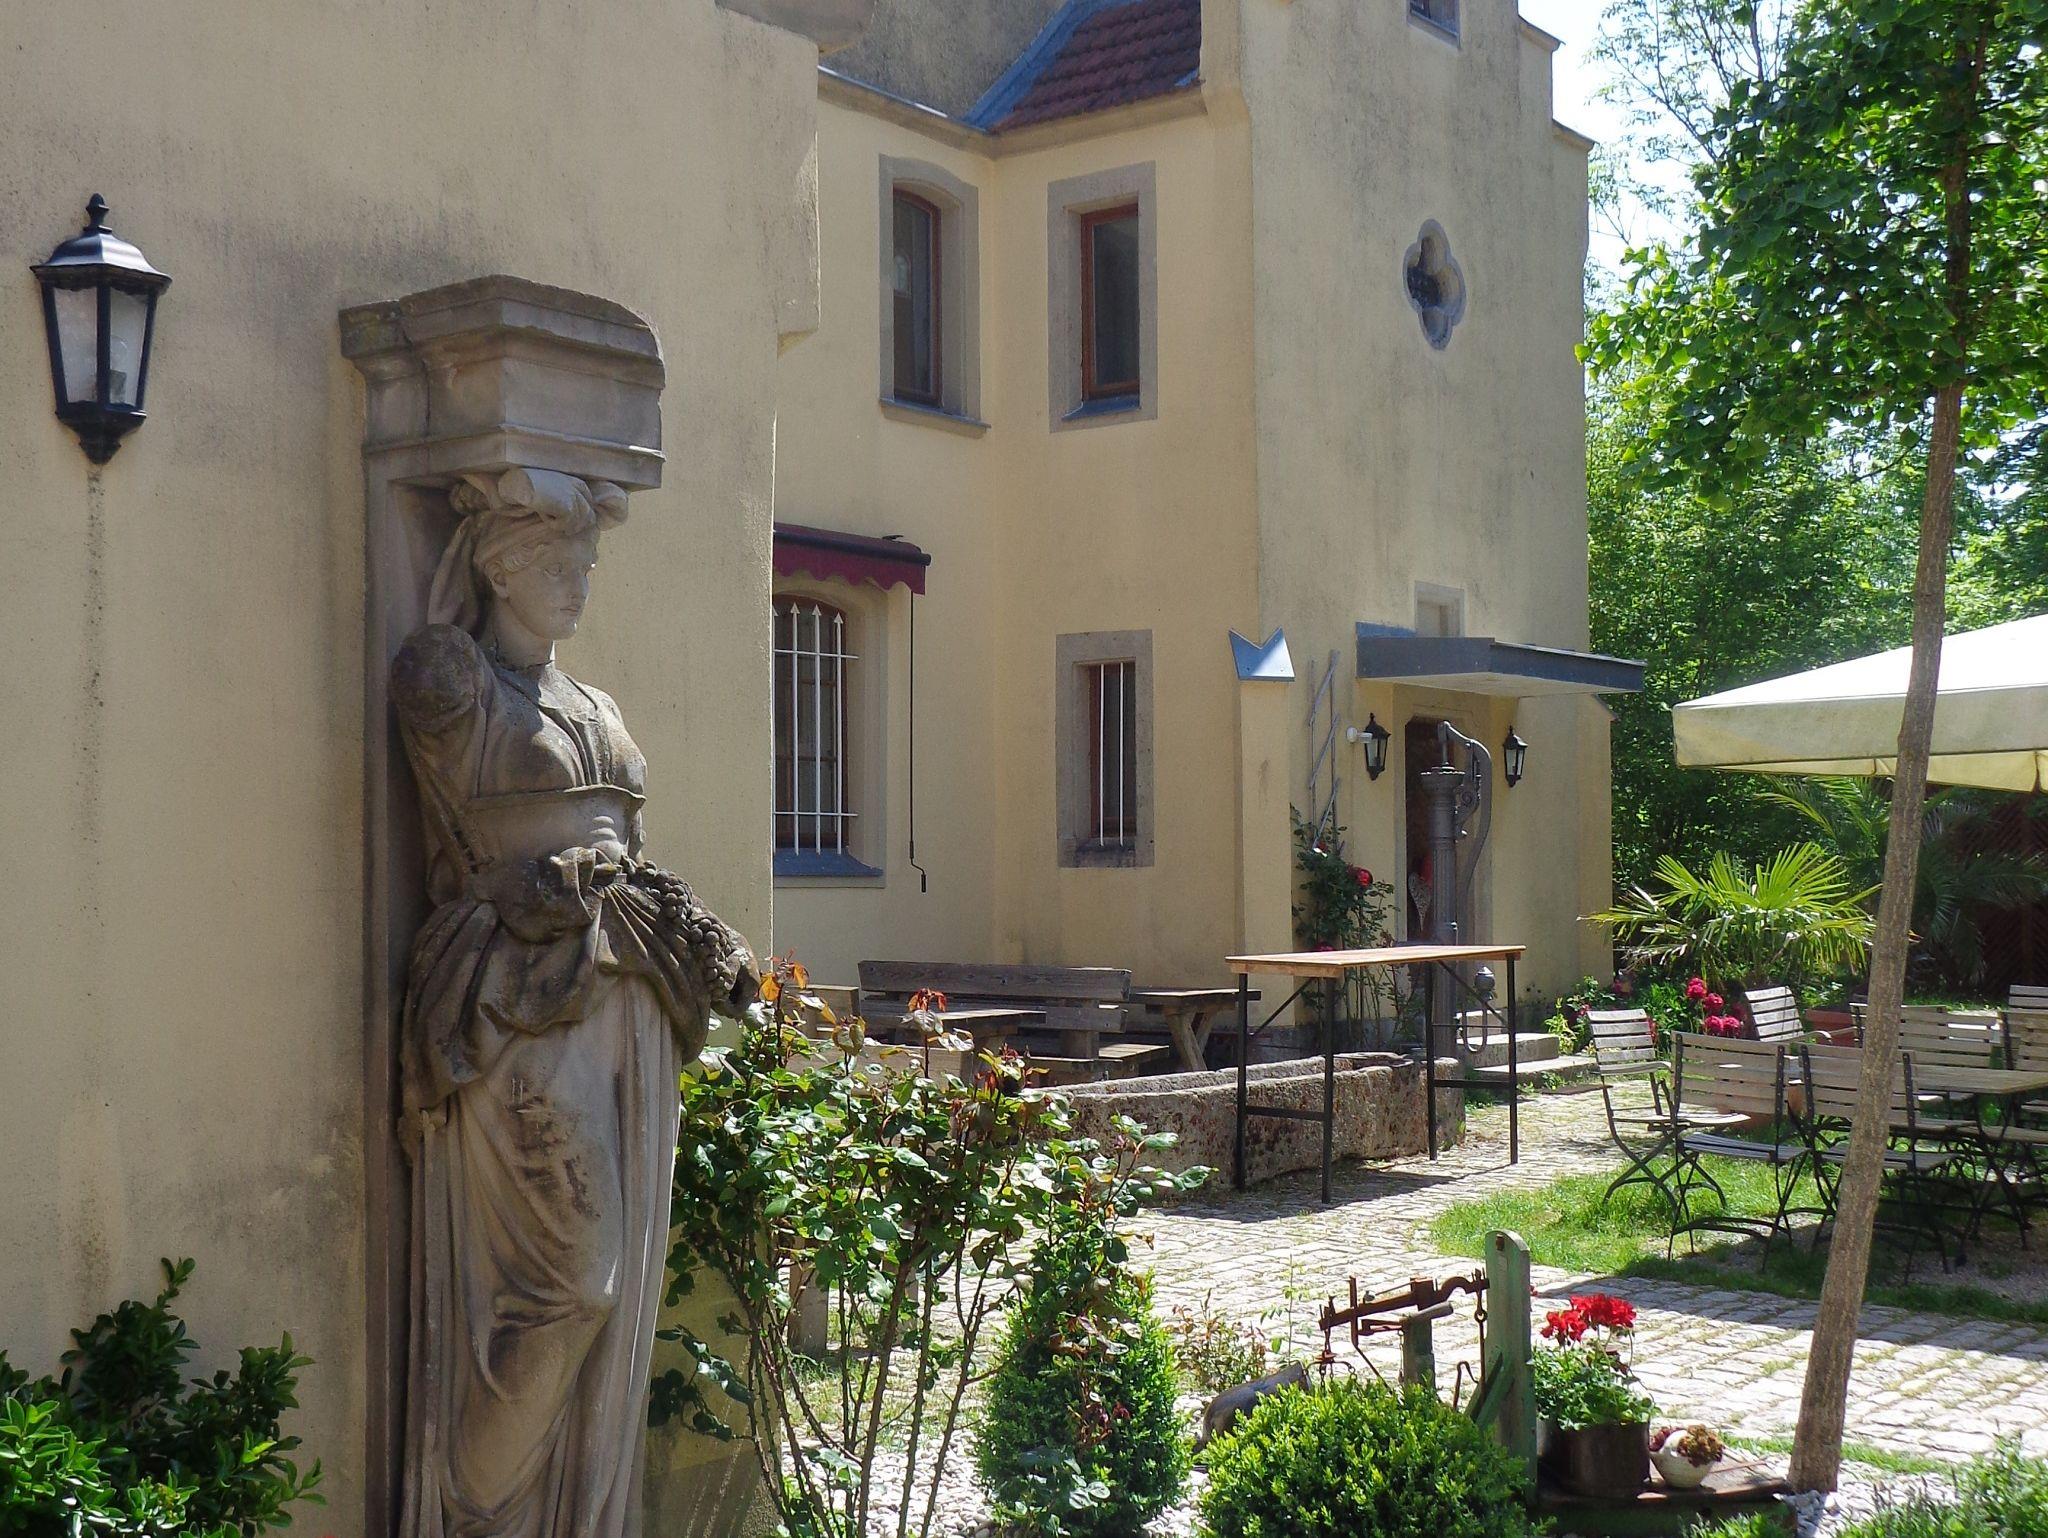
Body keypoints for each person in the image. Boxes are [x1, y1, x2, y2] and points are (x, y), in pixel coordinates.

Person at [393, 467, 756, 1538]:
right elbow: (423, 681)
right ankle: (473, 1510)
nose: (579, 581)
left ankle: (570, 1513)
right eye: (555, 560)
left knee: (619, 1291)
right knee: (577, 1285)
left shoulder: (595, 705)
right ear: (498, 568)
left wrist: (708, 941)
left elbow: (635, 861)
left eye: (587, 562)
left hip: (623, 1003)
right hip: (515, 1001)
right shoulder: (459, 688)